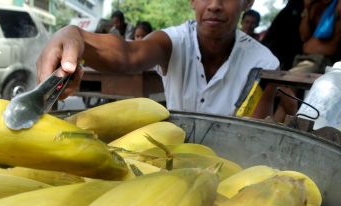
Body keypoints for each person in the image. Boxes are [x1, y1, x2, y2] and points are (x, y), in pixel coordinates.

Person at [37, 0, 294, 121]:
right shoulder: (173, 42)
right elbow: (129, 54)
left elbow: (254, 132)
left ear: (246, 1)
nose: (215, 5)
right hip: (168, 161)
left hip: (230, 174)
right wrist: (77, 38)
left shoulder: (264, 62)